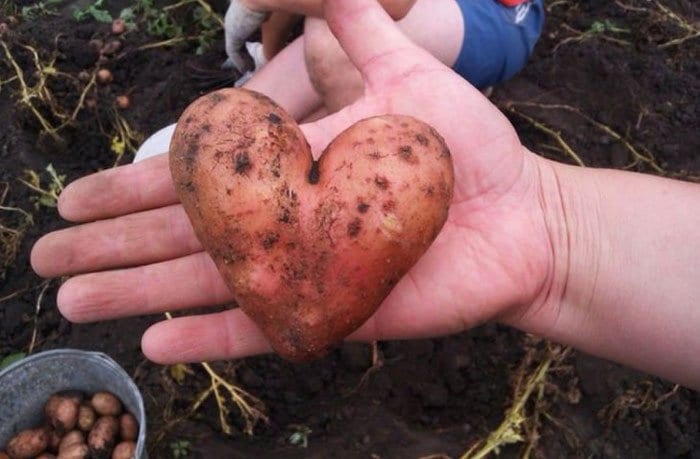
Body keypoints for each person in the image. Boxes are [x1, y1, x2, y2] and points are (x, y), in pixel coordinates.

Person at [30, 0, 700, 391]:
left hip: (494, 17)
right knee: (291, 70)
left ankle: (274, 129)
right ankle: (240, 144)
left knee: (332, 44)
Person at [135, 0, 544, 162]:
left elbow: (393, 3)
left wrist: (255, 1)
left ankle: (354, 173)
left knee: (331, 43)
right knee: (208, 144)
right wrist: (270, 57)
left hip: (496, 17)